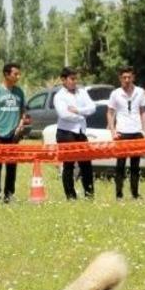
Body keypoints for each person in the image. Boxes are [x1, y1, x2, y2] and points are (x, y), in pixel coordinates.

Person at [0, 62, 30, 202]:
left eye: (19, 74)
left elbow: (23, 112)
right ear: (6, 74)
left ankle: (9, 195)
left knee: (11, 166)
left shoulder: (19, 91)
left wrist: (20, 125)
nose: (18, 76)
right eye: (15, 74)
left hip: (13, 135)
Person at [52, 67, 96, 200]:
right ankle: (71, 196)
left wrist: (77, 111)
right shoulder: (59, 96)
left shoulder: (82, 92)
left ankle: (89, 195)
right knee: (68, 165)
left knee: (86, 164)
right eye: (71, 79)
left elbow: (93, 108)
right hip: (66, 133)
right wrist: (83, 114)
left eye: (75, 78)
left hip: (81, 132)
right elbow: (64, 114)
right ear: (63, 80)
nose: (74, 81)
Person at [106, 67, 145, 200]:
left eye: (129, 77)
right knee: (120, 165)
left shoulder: (140, 92)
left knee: (135, 166)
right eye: (124, 77)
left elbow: (143, 111)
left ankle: (135, 194)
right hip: (122, 132)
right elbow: (110, 112)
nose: (126, 80)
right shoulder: (115, 93)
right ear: (120, 79)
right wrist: (113, 131)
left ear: (133, 77)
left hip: (136, 131)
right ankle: (119, 194)